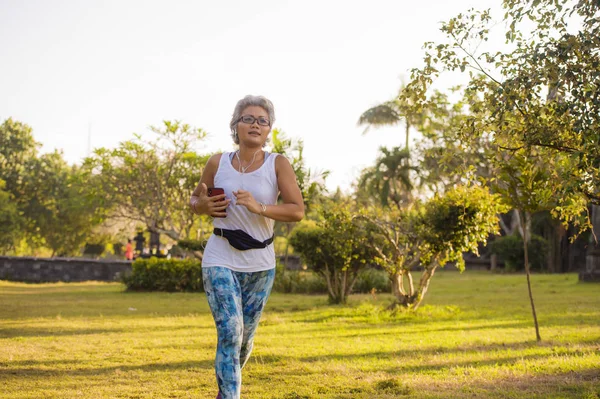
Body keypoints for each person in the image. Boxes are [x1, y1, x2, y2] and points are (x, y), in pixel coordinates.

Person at [190, 95, 304, 399]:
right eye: (248, 119)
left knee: (244, 339)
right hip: (220, 255)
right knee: (230, 331)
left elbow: (297, 210)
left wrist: (259, 207)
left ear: (269, 130)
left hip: (260, 262)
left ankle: (224, 391)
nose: (255, 124)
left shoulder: (278, 163)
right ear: (235, 125)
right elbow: (195, 200)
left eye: (262, 120)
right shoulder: (217, 161)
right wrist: (200, 205)